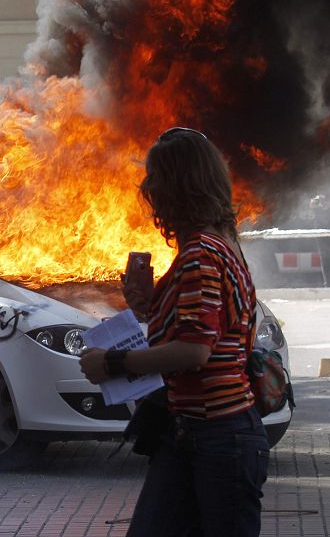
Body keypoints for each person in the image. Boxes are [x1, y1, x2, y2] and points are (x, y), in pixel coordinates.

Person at [79, 127, 269, 537]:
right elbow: (209, 333)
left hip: (216, 440)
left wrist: (113, 362)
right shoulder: (222, 245)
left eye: (155, 180)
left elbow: (195, 350)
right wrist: (148, 307)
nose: (148, 191)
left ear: (175, 189)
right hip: (198, 437)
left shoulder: (201, 254)